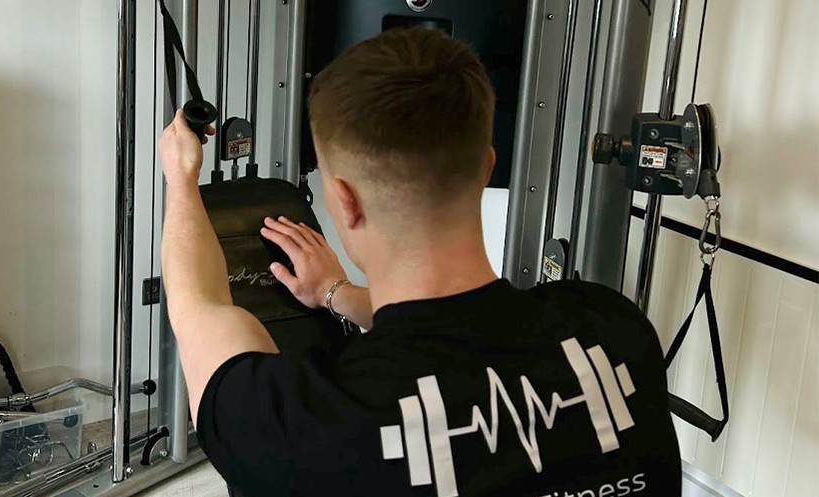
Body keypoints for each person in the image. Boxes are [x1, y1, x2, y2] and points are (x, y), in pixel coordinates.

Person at [159, 27, 680, 497]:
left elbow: (200, 307)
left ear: (344, 200)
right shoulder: (615, 329)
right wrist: (335, 292)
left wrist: (182, 180)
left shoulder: (306, 428)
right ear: (487, 167)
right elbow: (455, 334)